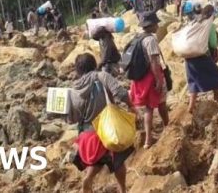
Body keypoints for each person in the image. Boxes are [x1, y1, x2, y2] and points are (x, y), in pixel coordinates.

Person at [67, 53, 132, 193]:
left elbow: (71, 119)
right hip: (107, 129)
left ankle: (88, 178)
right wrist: (133, 108)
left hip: (86, 136)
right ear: (94, 64)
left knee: (99, 159)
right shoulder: (102, 76)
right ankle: (122, 189)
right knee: (118, 160)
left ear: (78, 70)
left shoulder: (73, 90)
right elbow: (120, 93)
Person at [129, 11, 169, 148]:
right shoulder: (150, 40)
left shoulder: (138, 38)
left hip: (141, 79)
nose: (158, 25)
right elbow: (154, 62)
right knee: (161, 104)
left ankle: (148, 140)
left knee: (148, 108)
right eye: (156, 23)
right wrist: (158, 79)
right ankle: (167, 128)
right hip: (152, 77)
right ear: (151, 25)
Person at [184, 5, 218, 113]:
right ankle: (216, 98)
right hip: (202, 56)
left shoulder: (193, 22)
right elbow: (212, 43)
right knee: (217, 76)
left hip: (189, 57)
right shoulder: (209, 25)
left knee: (193, 81)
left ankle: (191, 106)